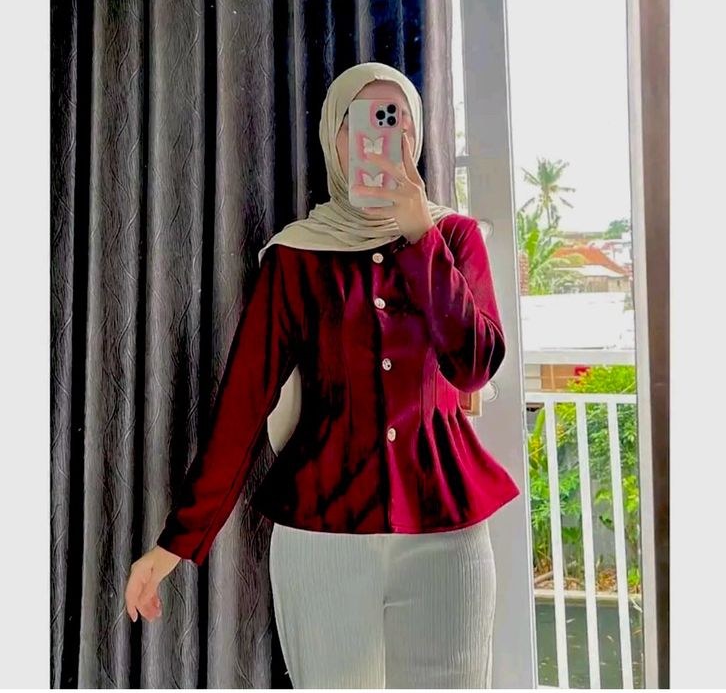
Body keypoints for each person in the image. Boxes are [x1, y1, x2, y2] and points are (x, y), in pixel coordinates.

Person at [125, 61, 520, 688]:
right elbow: (244, 402)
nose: (381, 136)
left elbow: (473, 366)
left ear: (416, 134)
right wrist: (175, 543)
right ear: (333, 136)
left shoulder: (455, 238)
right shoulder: (296, 256)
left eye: (397, 120)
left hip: (448, 535)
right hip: (322, 536)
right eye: (361, 122)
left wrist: (421, 238)